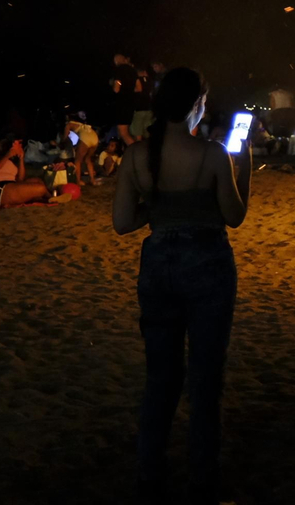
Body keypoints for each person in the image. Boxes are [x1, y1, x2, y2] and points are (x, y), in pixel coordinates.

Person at [113, 67, 250, 504]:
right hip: (207, 262)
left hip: (158, 265)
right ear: (196, 105)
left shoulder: (136, 156)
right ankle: (202, 482)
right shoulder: (213, 154)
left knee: (161, 378)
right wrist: (244, 167)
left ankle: (149, 476)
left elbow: (122, 222)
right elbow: (234, 216)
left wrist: (160, 210)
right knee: (206, 380)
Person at [0, 137, 53, 206]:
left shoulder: (9, 159)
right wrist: (7, 155)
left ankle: (51, 198)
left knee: (38, 181)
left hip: (9, 186)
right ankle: (52, 198)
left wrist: (21, 158)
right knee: (41, 188)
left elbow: (20, 179)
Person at [112, 54, 139, 146]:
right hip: (131, 102)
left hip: (122, 103)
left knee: (123, 132)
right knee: (126, 130)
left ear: (116, 61)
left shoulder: (119, 70)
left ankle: (135, 150)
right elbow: (138, 88)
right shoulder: (133, 71)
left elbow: (116, 88)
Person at [67, 116, 101, 185]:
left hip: (86, 139)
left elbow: (65, 137)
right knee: (88, 159)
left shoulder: (69, 124)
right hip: (95, 138)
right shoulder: (83, 125)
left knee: (77, 160)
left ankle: (78, 181)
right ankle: (92, 180)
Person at [130, 69, 155, 142]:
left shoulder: (136, 80)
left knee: (137, 131)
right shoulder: (150, 81)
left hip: (138, 108)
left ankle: (139, 146)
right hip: (149, 108)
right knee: (147, 131)